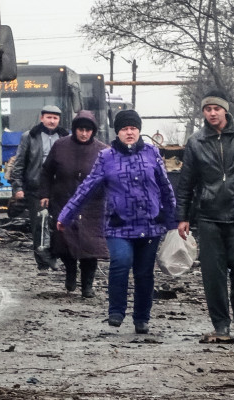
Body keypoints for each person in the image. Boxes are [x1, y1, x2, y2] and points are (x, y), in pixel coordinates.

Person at [56, 110, 176, 334]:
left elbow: (165, 187)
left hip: (150, 225)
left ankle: (142, 318)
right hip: (118, 223)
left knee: (144, 272)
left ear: (139, 131)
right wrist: (67, 214)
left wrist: (174, 220)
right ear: (117, 132)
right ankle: (116, 311)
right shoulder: (106, 157)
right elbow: (87, 188)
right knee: (120, 262)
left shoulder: (152, 153)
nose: (129, 132)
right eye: (124, 129)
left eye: (133, 128)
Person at [174, 90, 234, 338]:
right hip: (208, 215)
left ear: (225, 110)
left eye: (216, 108)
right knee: (212, 274)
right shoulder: (196, 141)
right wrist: (183, 216)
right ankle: (221, 324)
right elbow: (186, 183)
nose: (212, 113)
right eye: (208, 109)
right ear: (203, 113)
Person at [40, 110, 109, 298]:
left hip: (92, 205)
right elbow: (46, 172)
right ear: (74, 129)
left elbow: (111, 177)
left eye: (88, 130)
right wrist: (45, 194)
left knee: (90, 246)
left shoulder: (103, 151)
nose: (84, 133)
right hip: (64, 200)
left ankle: (87, 285)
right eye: (80, 129)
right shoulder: (60, 146)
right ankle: (70, 273)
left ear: (93, 131)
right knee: (65, 242)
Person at [10, 105, 70, 272]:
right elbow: (19, 163)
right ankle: (43, 263)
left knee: (58, 224)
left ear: (59, 120)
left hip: (59, 188)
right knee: (39, 225)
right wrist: (18, 187)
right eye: (49, 117)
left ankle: (55, 256)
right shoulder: (30, 136)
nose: (52, 121)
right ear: (42, 118)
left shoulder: (65, 137)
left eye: (55, 118)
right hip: (35, 188)